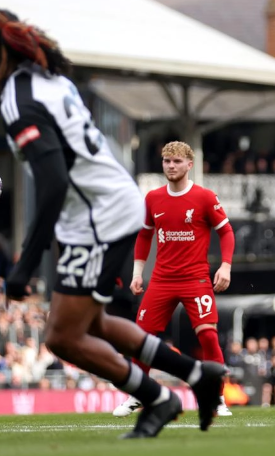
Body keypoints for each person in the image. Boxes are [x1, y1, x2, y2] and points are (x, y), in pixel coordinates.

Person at [0, 9, 224, 438]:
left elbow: (52, 183)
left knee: (62, 337)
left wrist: (25, 264)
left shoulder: (17, 97)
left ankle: (159, 398)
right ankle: (198, 376)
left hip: (99, 215)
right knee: (93, 325)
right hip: (94, 211)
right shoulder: (53, 81)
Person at [113, 141, 236, 417]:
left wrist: (225, 266)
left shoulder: (205, 197)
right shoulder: (153, 198)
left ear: (189, 165)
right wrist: (137, 273)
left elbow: (226, 233)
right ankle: (138, 395)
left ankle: (217, 399)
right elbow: (144, 235)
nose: (171, 166)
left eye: (177, 162)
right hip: (161, 281)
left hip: (196, 280)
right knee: (141, 340)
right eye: (167, 162)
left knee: (208, 337)